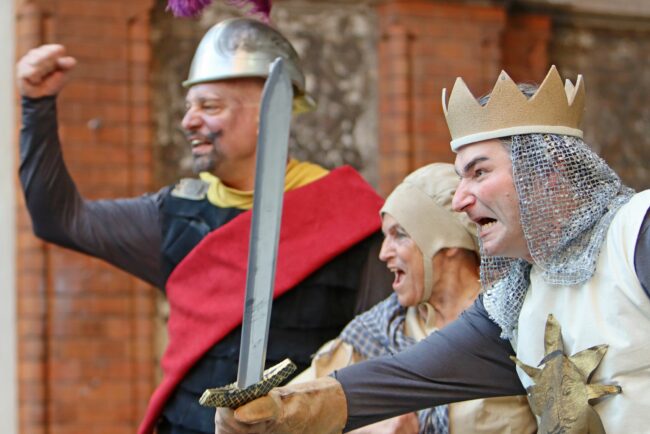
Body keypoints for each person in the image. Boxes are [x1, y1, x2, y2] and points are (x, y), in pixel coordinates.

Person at [214, 65, 650, 434]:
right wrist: (283, 410)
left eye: (479, 172)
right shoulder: (516, 300)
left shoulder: (636, 232)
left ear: (547, 174)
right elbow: (409, 374)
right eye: (460, 178)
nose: (461, 199)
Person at [16, 17, 392, 434]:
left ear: (271, 113)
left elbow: (382, 353)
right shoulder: (171, 213)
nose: (188, 121)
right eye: (189, 106)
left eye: (209, 106)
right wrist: (36, 106)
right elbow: (59, 220)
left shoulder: (352, 216)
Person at [290, 162, 536, 434]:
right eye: (385, 237)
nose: (383, 253)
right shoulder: (375, 332)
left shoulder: (514, 324)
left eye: (400, 235)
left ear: (449, 244)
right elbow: (296, 407)